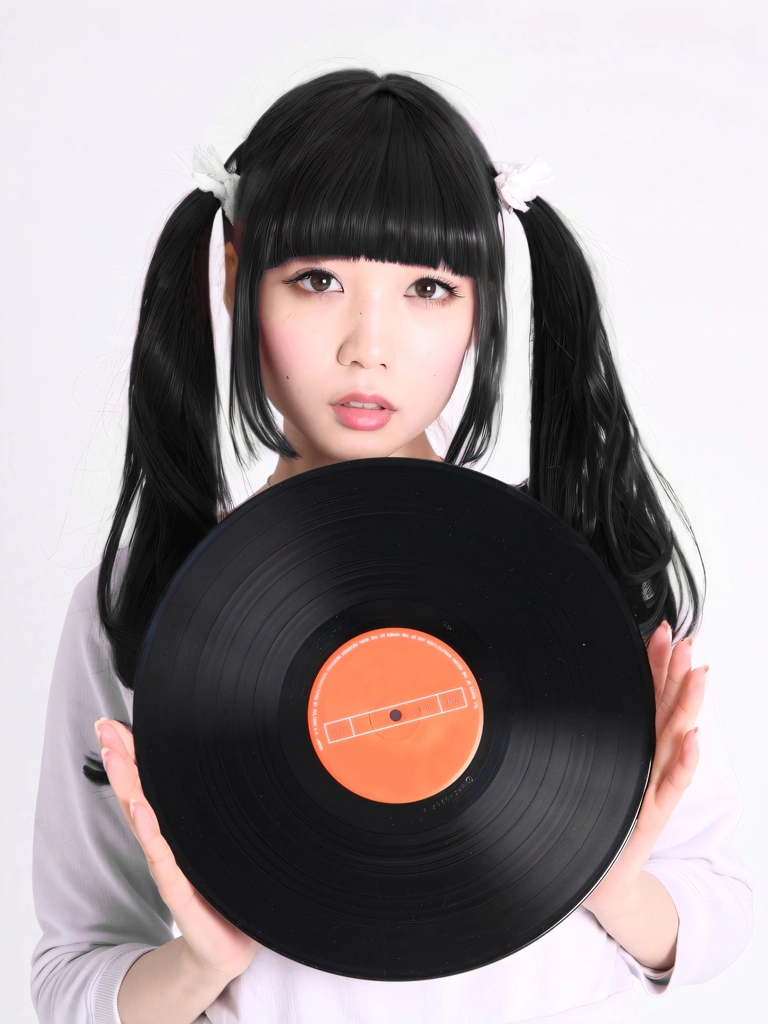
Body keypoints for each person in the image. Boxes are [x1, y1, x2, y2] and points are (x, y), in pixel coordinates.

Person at [30, 68, 753, 1024]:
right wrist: (201, 965)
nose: (368, 346)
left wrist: (607, 882)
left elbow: (724, 911)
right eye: (317, 280)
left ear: (480, 308)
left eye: (426, 288)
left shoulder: (586, 571)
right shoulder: (138, 600)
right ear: (235, 275)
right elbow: (71, 977)